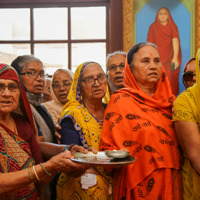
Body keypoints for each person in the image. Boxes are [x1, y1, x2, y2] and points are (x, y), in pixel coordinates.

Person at [99, 43, 182, 199]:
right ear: (130, 69)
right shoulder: (120, 102)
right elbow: (108, 149)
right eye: (145, 61)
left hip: (173, 182)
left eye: (157, 61)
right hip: (139, 186)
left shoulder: (172, 103)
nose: (153, 66)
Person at [0, 63, 89, 200]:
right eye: (0, 87)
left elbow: (41, 179)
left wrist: (65, 157)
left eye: (12, 87)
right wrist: (49, 165)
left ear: (19, 92)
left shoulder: (23, 126)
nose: (6, 93)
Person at [56, 62, 112, 200]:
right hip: (81, 186)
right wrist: (109, 181)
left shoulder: (113, 110)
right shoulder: (72, 115)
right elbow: (72, 158)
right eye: (89, 79)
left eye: (100, 77)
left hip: (115, 184)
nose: (97, 83)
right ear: (78, 85)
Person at [172, 50, 200, 199]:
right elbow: (196, 157)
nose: (194, 78)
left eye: (198, 72)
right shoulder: (184, 102)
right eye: (189, 76)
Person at [11, 55, 57, 143]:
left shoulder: (40, 108)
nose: (39, 79)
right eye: (31, 73)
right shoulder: (17, 107)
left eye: (42, 74)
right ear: (17, 76)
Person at [147, 7, 181, 96]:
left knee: (169, 80)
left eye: (164, 13)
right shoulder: (153, 27)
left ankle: (170, 99)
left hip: (169, 58)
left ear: (168, 16)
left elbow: (175, 42)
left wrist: (175, 58)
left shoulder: (172, 27)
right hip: (156, 58)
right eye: (160, 14)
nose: (162, 16)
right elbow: (149, 44)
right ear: (157, 16)